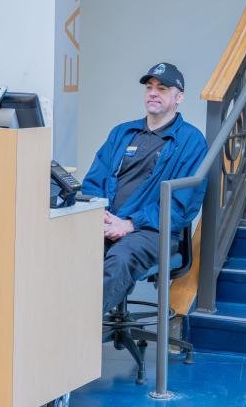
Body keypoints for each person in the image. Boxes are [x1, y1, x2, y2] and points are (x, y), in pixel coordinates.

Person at [81, 62, 208, 318]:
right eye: (149, 87)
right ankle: (52, 326)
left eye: (162, 88)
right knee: (68, 250)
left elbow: (181, 206)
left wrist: (130, 223)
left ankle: (78, 330)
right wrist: (102, 214)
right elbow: (93, 181)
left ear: (179, 97)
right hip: (108, 221)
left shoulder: (190, 141)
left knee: (120, 259)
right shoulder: (122, 133)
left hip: (154, 230)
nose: (153, 93)